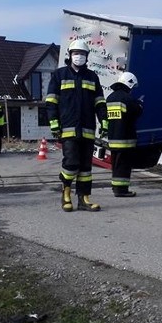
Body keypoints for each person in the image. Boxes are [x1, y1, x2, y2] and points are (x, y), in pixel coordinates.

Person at [46, 39, 107, 212]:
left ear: (86, 57)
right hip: (67, 129)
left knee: (86, 168)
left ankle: (84, 199)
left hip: (87, 130)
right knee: (71, 163)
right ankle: (65, 193)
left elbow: (100, 103)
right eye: (75, 53)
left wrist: (104, 121)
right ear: (70, 55)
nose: (78, 56)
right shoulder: (59, 75)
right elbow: (51, 101)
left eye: (82, 54)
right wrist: (54, 123)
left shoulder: (92, 77)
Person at [105, 72, 143, 197]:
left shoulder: (110, 98)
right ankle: (121, 190)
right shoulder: (128, 99)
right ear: (129, 83)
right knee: (124, 166)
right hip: (125, 139)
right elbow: (136, 112)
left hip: (113, 138)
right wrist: (140, 104)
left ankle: (116, 187)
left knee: (116, 165)